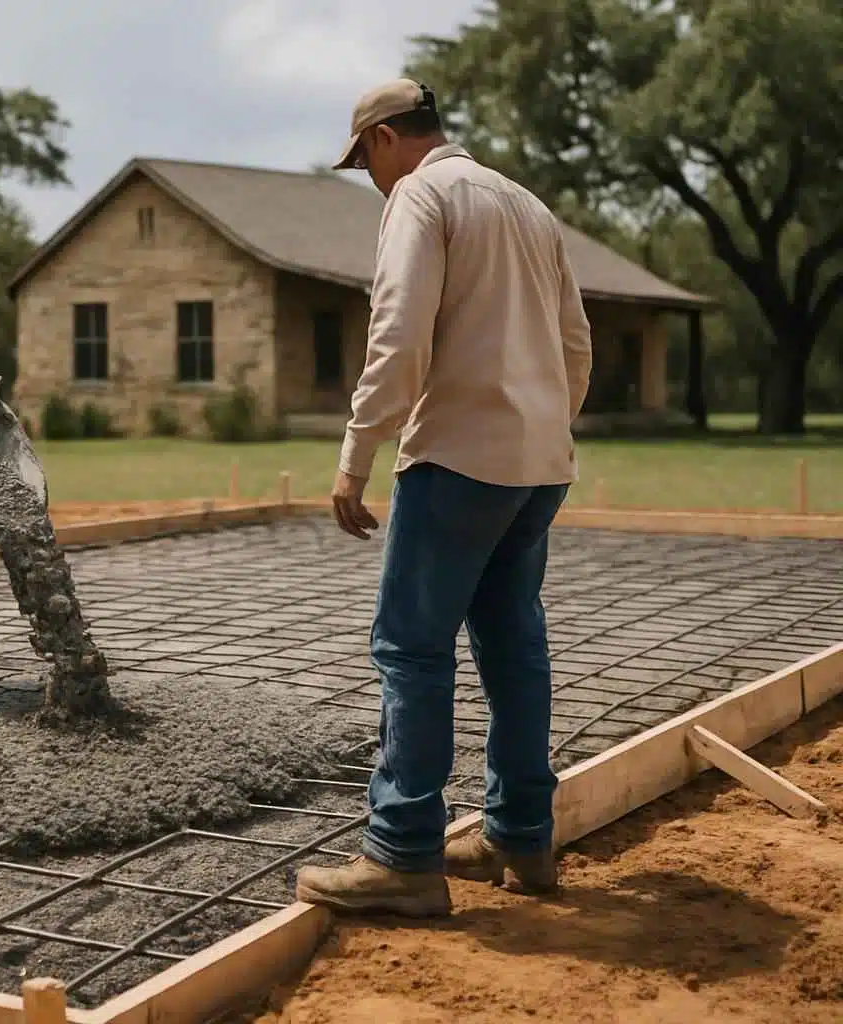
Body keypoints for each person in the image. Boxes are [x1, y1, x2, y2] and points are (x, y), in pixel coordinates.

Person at [294, 79, 593, 917]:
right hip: (539, 466)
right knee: (513, 647)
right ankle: (522, 837)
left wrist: (356, 454)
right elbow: (577, 341)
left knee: (412, 652)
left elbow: (398, 335)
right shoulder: (526, 204)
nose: (372, 180)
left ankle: (402, 857)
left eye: (367, 162)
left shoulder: (422, 196)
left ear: (388, 137)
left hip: (457, 461)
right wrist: (541, 429)